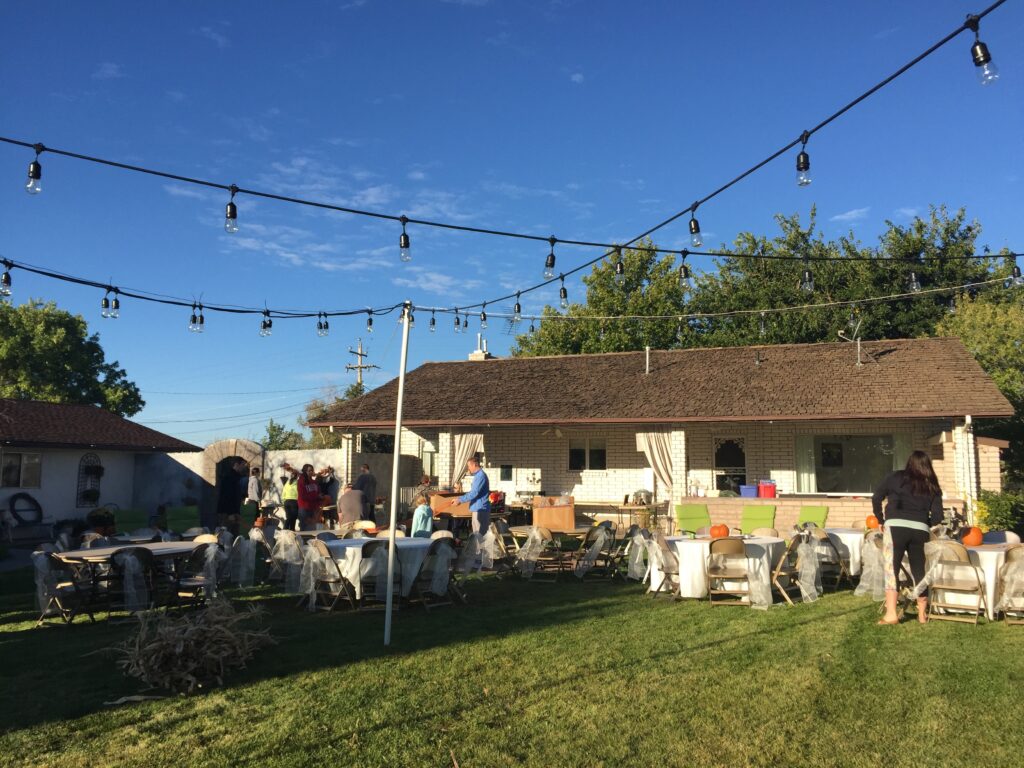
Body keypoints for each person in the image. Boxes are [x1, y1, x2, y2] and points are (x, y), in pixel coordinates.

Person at [871, 450, 944, 625]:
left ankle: (891, 614)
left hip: (895, 527)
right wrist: (923, 521)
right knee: (919, 569)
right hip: (920, 530)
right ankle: (922, 615)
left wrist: (880, 519)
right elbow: (938, 517)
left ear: (909, 463)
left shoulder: (895, 477)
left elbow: (876, 497)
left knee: (892, 569)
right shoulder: (932, 485)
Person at [448, 456, 490, 535]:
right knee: (478, 534)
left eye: (469, 466)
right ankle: (479, 547)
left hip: (480, 509)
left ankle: (480, 548)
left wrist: (459, 500)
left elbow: (474, 493)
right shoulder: (478, 476)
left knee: (479, 536)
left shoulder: (480, 476)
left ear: (474, 465)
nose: (468, 468)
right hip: (478, 508)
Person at [284, 462, 327, 531]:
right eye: (309, 470)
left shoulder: (314, 482)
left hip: (314, 508)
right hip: (304, 508)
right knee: (304, 528)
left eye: (312, 470)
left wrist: (321, 497)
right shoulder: (301, 481)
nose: (311, 472)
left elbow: (318, 492)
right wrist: (317, 496)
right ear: (305, 471)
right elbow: (303, 496)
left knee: (312, 528)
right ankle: (304, 541)